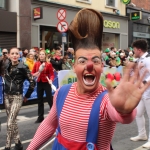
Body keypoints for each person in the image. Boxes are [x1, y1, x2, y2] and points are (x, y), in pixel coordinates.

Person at [27, 8, 150, 150]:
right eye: (82, 61)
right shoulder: (62, 92)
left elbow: (121, 116)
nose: (90, 66)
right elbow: (49, 124)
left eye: (96, 61)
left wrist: (124, 110)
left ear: (102, 67)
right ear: (74, 66)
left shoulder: (106, 99)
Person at [3, 47, 35, 150]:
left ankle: (7, 146)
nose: (14, 55)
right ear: (9, 55)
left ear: (19, 55)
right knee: (12, 121)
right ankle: (18, 144)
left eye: (16, 53)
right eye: (12, 53)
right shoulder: (6, 65)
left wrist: (27, 96)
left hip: (17, 96)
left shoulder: (23, 67)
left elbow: (32, 83)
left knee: (10, 122)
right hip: (7, 96)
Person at [130, 39, 150, 148]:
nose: (133, 51)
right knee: (138, 114)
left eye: (134, 49)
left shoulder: (148, 59)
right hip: (142, 92)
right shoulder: (138, 60)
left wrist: (143, 82)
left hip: (149, 92)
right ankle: (142, 135)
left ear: (139, 50)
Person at [32, 50, 55, 123]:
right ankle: (40, 117)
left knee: (49, 99)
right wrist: (35, 74)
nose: (41, 56)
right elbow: (32, 72)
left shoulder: (48, 64)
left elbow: (52, 74)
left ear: (45, 56)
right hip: (39, 82)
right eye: (40, 54)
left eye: (43, 54)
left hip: (46, 82)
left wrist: (51, 79)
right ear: (39, 56)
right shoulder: (36, 63)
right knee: (40, 100)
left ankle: (53, 116)